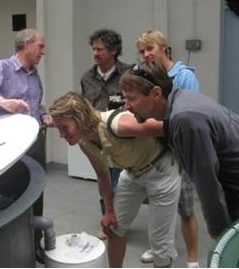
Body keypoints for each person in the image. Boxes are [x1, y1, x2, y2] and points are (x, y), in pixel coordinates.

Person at [119, 60, 239, 240]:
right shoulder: (181, 99)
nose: (126, 106)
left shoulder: (185, 119)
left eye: (131, 99)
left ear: (156, 94)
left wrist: (220, 235)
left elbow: (207, 184)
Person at [49, 92, 181, 268]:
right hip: (133, 172)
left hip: (161, 170)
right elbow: (103, 176)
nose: (61, 134)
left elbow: (168, 127)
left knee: (160, 244)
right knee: (113, 229)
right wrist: (109, 212)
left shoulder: (118, 124)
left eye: (64, 127)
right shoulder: (85, 141)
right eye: (58, 128)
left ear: (80, 119)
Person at [0, 28, 52, 262]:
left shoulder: (34, 74)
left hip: (35, 140)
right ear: (27, 44)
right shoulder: (1, 68)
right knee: (7, 192)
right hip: (8, 144)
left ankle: (34, 243)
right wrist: (3, 101)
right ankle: (5, 248)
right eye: (40, 46)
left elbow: (35, 104)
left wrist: (44, 114)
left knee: (36, 191)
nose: (43, 52)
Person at [136, 29, 200, 267]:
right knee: (159, 205)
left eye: (150, 49)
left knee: (185, 208)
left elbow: (190, 116)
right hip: (154, 151)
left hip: (179, 151)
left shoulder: (184, 76)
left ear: (164, 48)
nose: (146, 54)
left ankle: (192, 260)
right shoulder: (146, 76)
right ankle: (160, 247)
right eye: (142, 51)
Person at [80, 29, 130, 240]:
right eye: (93, 49)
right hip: (95, 139)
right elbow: (83, 106)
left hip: (121, 137)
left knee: (119, 184)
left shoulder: (129, 73)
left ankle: (118, 221)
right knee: (104, 182)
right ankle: (110, 223)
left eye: (99, 49)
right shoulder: (87, 77)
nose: (95, 53)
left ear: (113, 51)